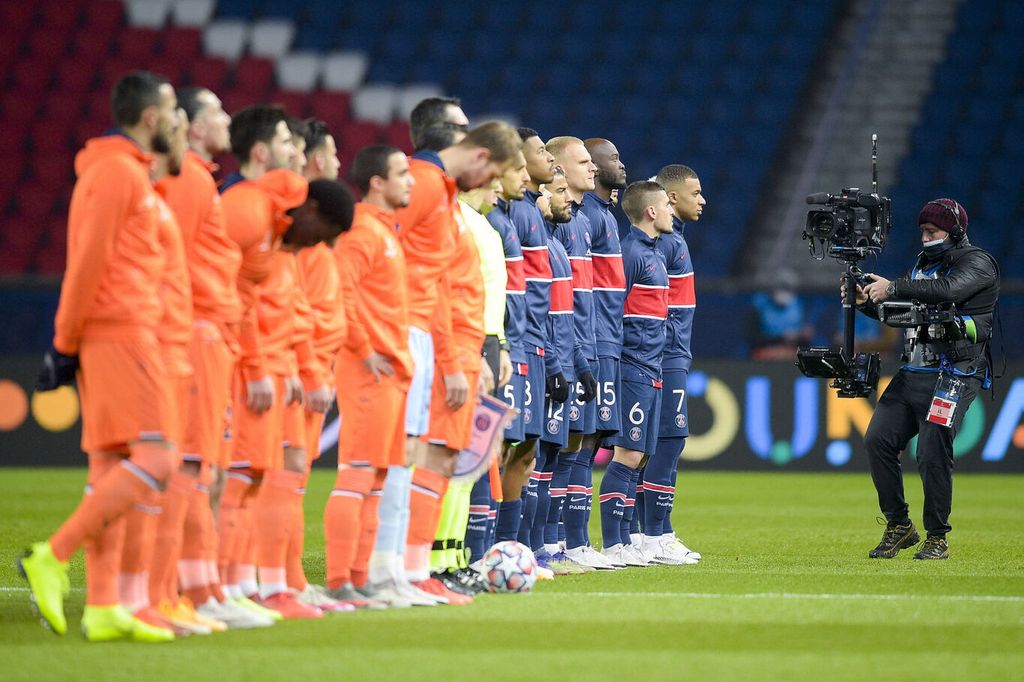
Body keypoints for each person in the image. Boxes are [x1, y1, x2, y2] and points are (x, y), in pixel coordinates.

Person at [22, 71, 180, 642]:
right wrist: (63, 344)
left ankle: (105, 605)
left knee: (112, 468)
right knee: (159, 458)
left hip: (125, 328)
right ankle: (53, 554)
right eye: (171, 109)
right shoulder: (117, 174)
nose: (177, 120)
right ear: (151, 117)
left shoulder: (128, 173)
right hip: (120, 330)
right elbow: (87, 261)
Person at [156, 86, 272, 629]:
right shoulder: (191, 184)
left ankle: (200, 588)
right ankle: (172, 592)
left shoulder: (204, 182)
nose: (227, 117)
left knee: (208, 471)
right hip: (193, 337)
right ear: (192, 125)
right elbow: (172, 262)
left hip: (214, 336)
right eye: (216, 111)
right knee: (189, 469)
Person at [850, 198, 999, 560]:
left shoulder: (978, 262)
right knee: (877, 441)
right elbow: (905, 316)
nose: (925, 238)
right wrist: (867, 303)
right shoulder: (923, 265)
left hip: (954, 374)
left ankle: (938, 537)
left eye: (932, 231)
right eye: (922, 232)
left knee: (932, 454)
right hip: (913, 370)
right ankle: (899, 525)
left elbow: (948, 291)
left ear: (955, 230)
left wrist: (894, 287)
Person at [328, 145, 430, 609]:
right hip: (369, 370)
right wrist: (364, 349)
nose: (410, 181)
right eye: (401, 173)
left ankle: (359, 577)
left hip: (393, 371)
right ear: (376, 182)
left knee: (376, 478)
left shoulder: (384, 232)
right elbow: (339, 293)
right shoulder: (361, 232)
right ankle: (338, 579)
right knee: (357, 475)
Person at [598, 181, 674, 567]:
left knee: (641, 455)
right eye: (666, 204)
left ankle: (625, 540)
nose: (672, 211)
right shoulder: (630, 254)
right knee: (627, 453)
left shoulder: (655, 255)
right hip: (631, 367)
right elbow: (609, 310)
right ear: (650, 212)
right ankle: (613, 543)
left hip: (652, 366)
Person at [562, 137, 628, 569]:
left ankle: (570, 541)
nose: (617, 165)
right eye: (610, 158)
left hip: (603, 340)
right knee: (575, 442)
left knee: (588, 440)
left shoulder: (600, 215)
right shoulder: (580, 216)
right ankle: (565, 541)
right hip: (589, 342)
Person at [536, 136, 598, 573]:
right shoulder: (537, 236)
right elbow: (536, 310)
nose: (567, 202)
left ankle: (551, 544)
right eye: (558, 192)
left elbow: (567, 312)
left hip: (561, 357)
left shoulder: (558, 240)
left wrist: (576, 362)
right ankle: (532, 546)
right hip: (534, 359)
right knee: (532, 456)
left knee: (556, 453)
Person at [493, 128, 556, 547]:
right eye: (537, 153)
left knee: (526, 449)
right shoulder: (508, 214)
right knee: (500, 448)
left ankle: (512, 545)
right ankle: (483, 544)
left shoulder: (529, 211)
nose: (546, 158)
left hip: (532, 344)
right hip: (509, 346)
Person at [641, 164, 706, 564]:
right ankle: (655, 534)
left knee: (658, 443)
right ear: (671, 197)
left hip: (671, 355)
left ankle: (647, 533)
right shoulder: (664, 244)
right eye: (695, 193)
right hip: (665, 357)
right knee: (669, 440)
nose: (702, 200)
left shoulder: (674, 241)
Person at [748, 268, 814, 360]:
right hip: (766, 351)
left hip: (791, 351)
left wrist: (803, 336)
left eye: (788, 289)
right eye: (781, 288)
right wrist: (780, 337)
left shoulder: (798, 307)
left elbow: (806, 337)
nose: (784, 293)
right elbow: (752, 338)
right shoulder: (759, 307)